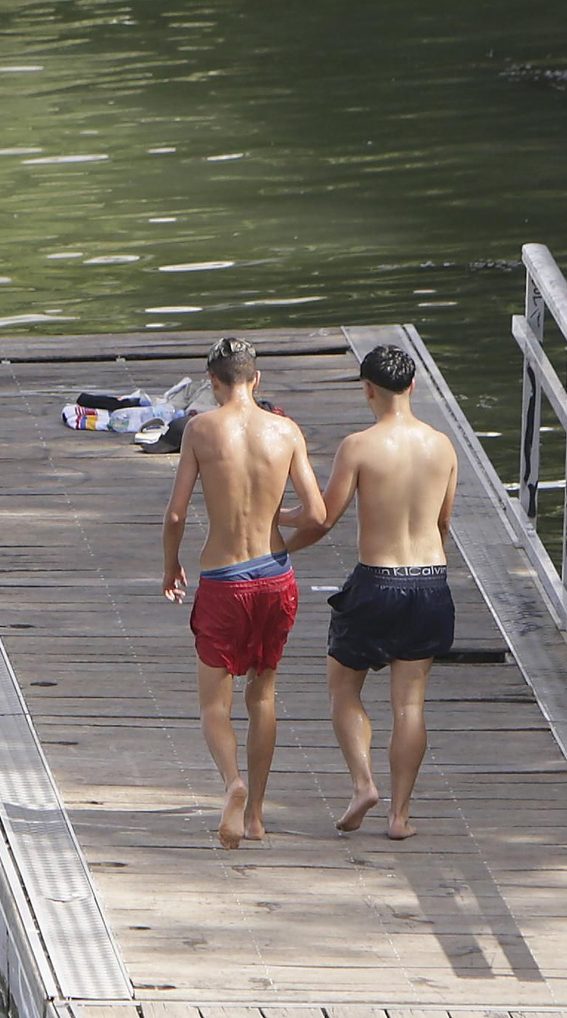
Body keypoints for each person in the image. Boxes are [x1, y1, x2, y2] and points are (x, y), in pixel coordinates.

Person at [284, 344, 457, 840]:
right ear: (413, 386)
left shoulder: (358, 446)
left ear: (368, 389)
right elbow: (443, 522)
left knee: (343, 687)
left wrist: (280, 540)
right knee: (410, 705)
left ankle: (363, 784)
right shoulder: (442, 446)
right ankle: (399, 817)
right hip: (429, 582)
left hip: (376, 581)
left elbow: (323, 518)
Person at [162, 337, 326, 848]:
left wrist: (171, 567)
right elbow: (319, 514)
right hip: (276, 576)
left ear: (213, 383)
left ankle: (232, 782)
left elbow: (175, 514)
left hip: (224, 579)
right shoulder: (287, 430)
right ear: (256, 379)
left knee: (215, 705)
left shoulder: (200, 429)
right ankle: (255, 814)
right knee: (263, 695)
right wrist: (283, 527)